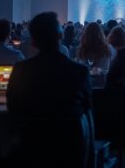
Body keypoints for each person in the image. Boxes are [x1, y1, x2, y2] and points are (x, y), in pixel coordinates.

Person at [7, 12, 92, 167]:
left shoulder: (20, 70)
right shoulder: (80, 72)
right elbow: (87, 110)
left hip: (30, 147)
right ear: (60, 36)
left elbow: (12, 107)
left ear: (33, 42)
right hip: (71, 149)